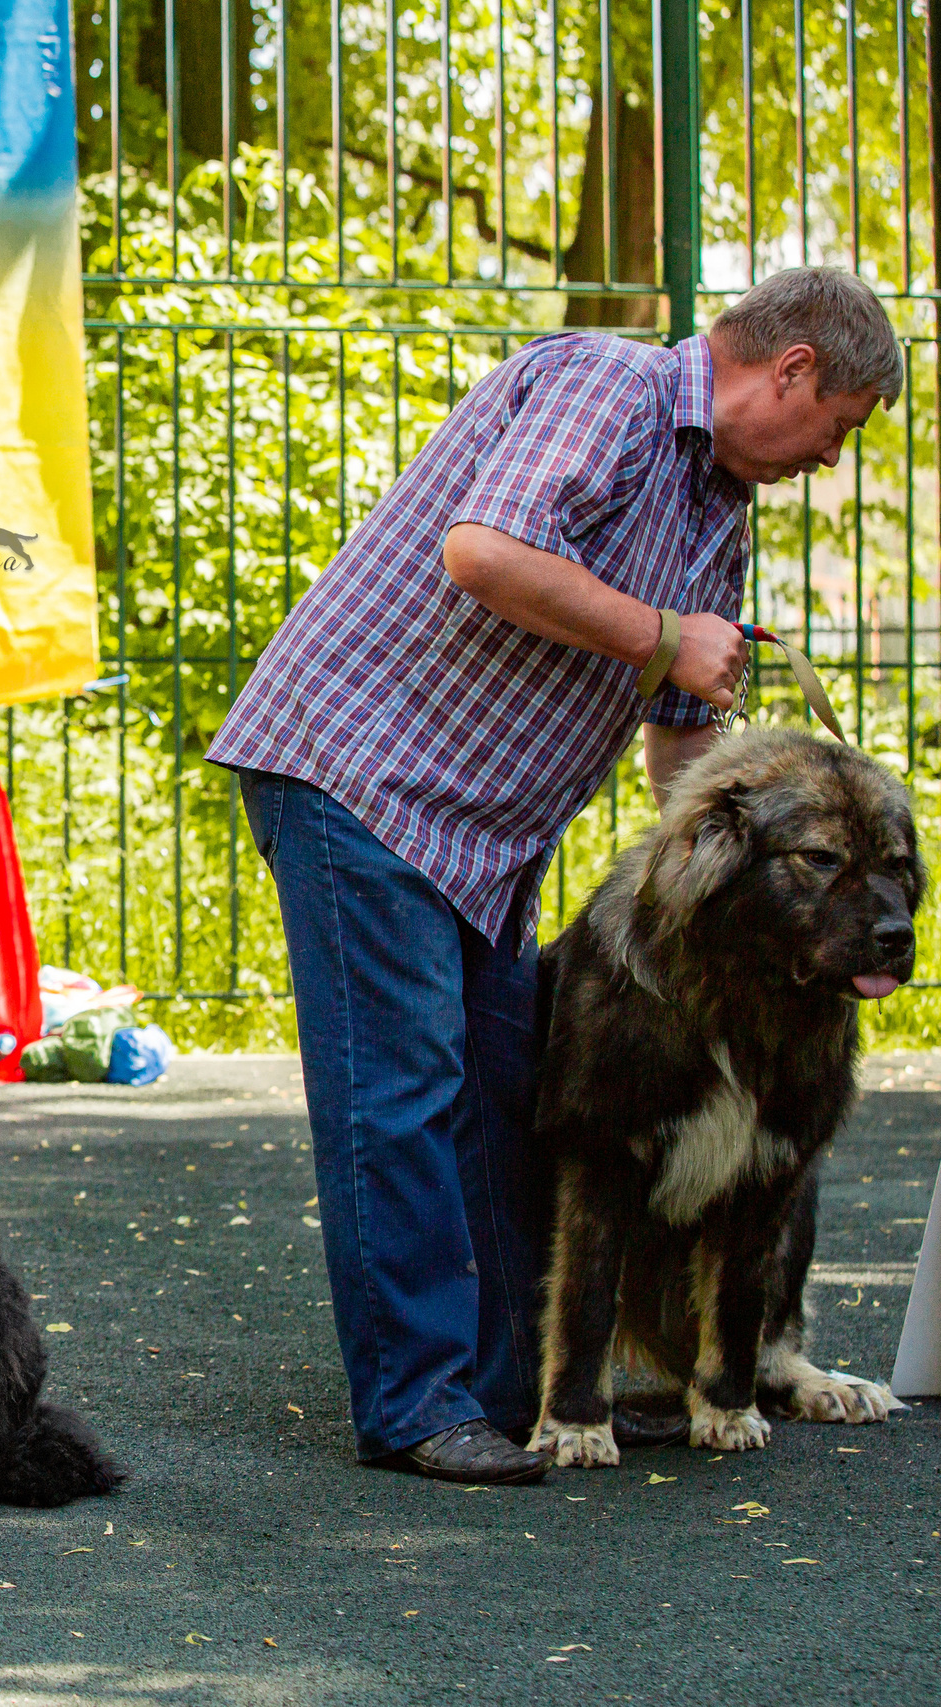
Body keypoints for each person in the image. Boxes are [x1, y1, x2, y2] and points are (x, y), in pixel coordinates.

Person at [207, 267, 902, 1485]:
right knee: (405, 1090)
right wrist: (659, 633)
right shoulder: (610, 387)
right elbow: (482, 552)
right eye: (837, 428)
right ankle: (416, 1405)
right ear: (789, 370)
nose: (830, 461)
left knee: (510, 1086)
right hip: (357, 772)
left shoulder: (718, 516)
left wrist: (779, 830)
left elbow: (685, 753)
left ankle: (514, 1389)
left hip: (480, 834)